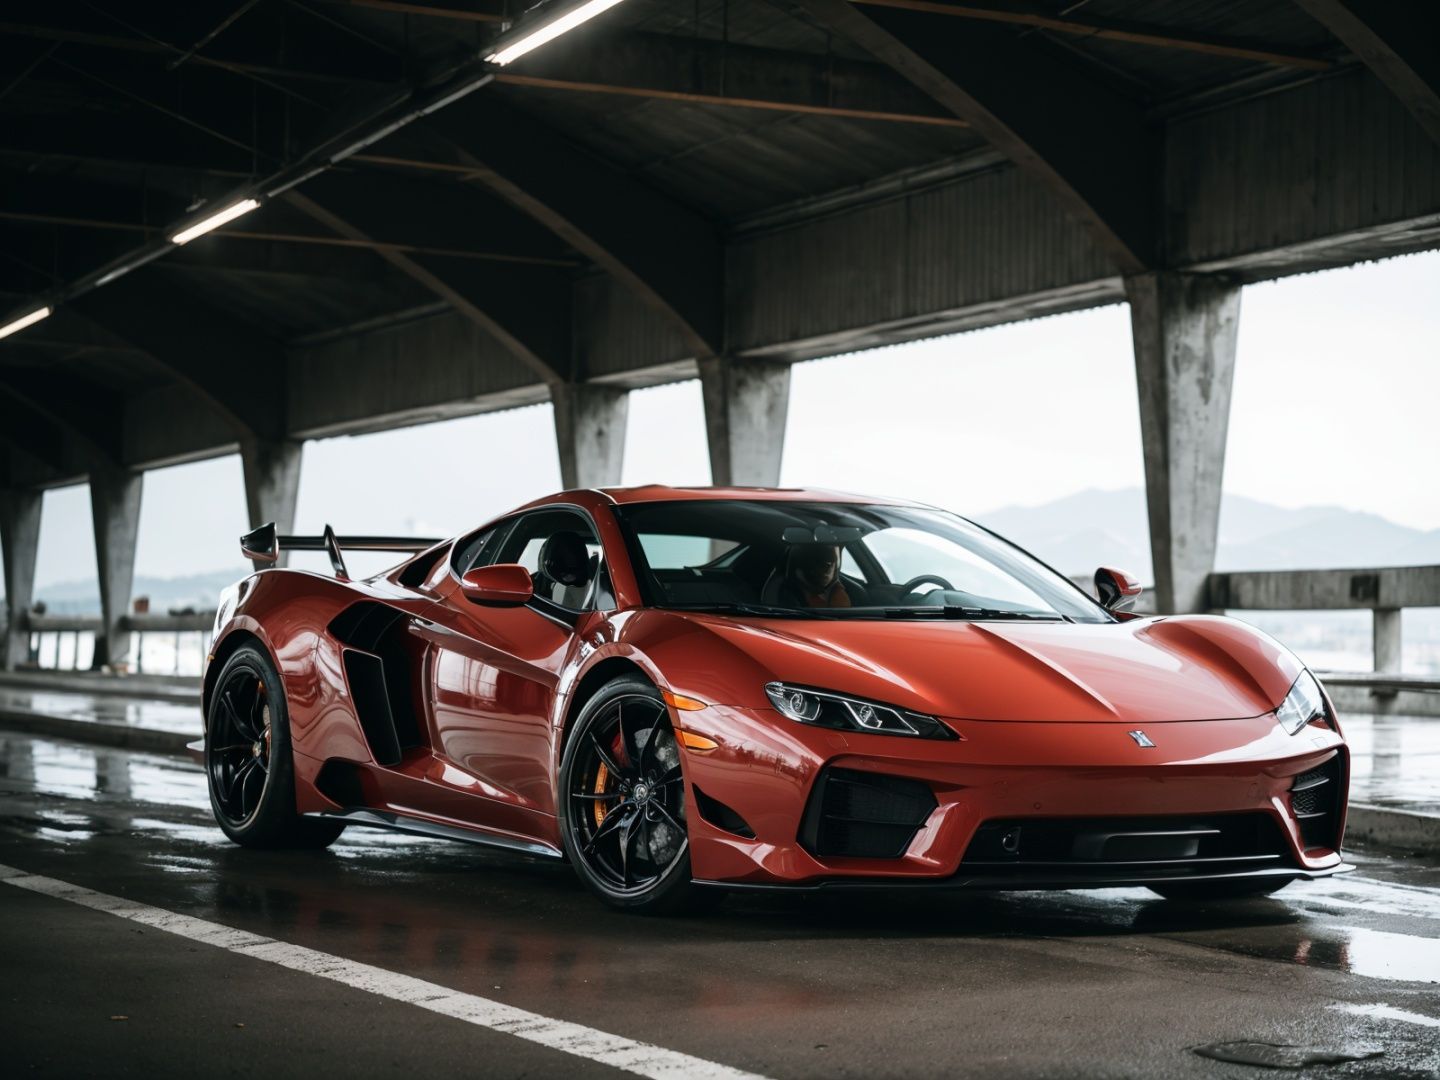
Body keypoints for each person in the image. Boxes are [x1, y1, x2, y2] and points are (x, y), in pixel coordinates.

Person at [776, 543, 852, 608]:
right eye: (817, 564)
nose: (822, 572)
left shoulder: (837, 592)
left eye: (827, 566)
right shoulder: (788, 594)